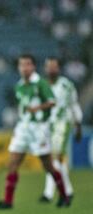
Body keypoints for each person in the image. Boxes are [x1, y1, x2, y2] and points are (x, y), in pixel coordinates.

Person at [0, 54, 70, 210]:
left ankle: (64, 196)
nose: (24, 68)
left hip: (39, 128)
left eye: (27, 64)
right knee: (12, 163)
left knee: (48, 165)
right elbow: (23, 107)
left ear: (33, 66)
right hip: (23, 128)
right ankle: (7, 201)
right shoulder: (19, 85)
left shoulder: (40, 83)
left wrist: (37, 108)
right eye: (21, 65)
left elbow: (52, 102)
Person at [40, 57, 82, 202]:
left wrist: (78, 124)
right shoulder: (42, 85)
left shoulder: (67, 85)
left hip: (62, 124)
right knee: (51, 158)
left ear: (58, 68)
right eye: (49, 67)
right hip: (46, 125)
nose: (51, 70)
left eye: (54, 67)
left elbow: (74, 105)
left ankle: (49, 193)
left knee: (55, 157)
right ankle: (68, 191)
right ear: (45, 69)